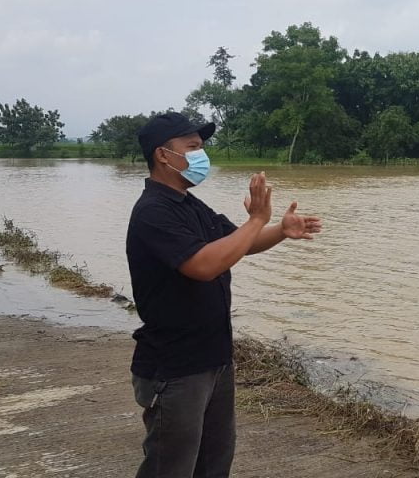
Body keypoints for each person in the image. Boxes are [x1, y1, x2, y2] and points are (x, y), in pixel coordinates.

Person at [127, 112, 322, 478]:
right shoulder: (153, 211)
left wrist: (279, 229)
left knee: (214, 461)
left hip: (213, 358)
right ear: (163, 156)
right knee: (169, 466)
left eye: (202, 147)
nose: (202, 155)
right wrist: (256, 222)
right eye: (193, 147)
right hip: (175, 366)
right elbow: (203, 265)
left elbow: (237, 245)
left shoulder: (189, 204)